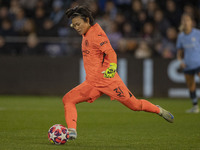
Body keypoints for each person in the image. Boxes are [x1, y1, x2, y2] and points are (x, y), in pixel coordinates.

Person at [63, 6, 174, 140]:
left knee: (135, 105)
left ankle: (158, 110)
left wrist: (112, 67)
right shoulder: (85, 34)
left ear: (87, 20)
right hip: (92, 83)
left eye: (78, 24)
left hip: (109, 81)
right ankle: (71, 131)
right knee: (68, 99)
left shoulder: (96, 34)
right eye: (73, 25)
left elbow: (111, 52)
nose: (76, 27)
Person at [176, 13, 200, 113]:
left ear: (191, 22)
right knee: (191, 85)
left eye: (187, 20)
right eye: (183, 20)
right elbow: (179, 52)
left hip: (198, 63)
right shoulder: (181, 36)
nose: (185, 22)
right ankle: (195, 106)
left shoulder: (197, 33)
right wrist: (180, 61)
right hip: (188, 64)